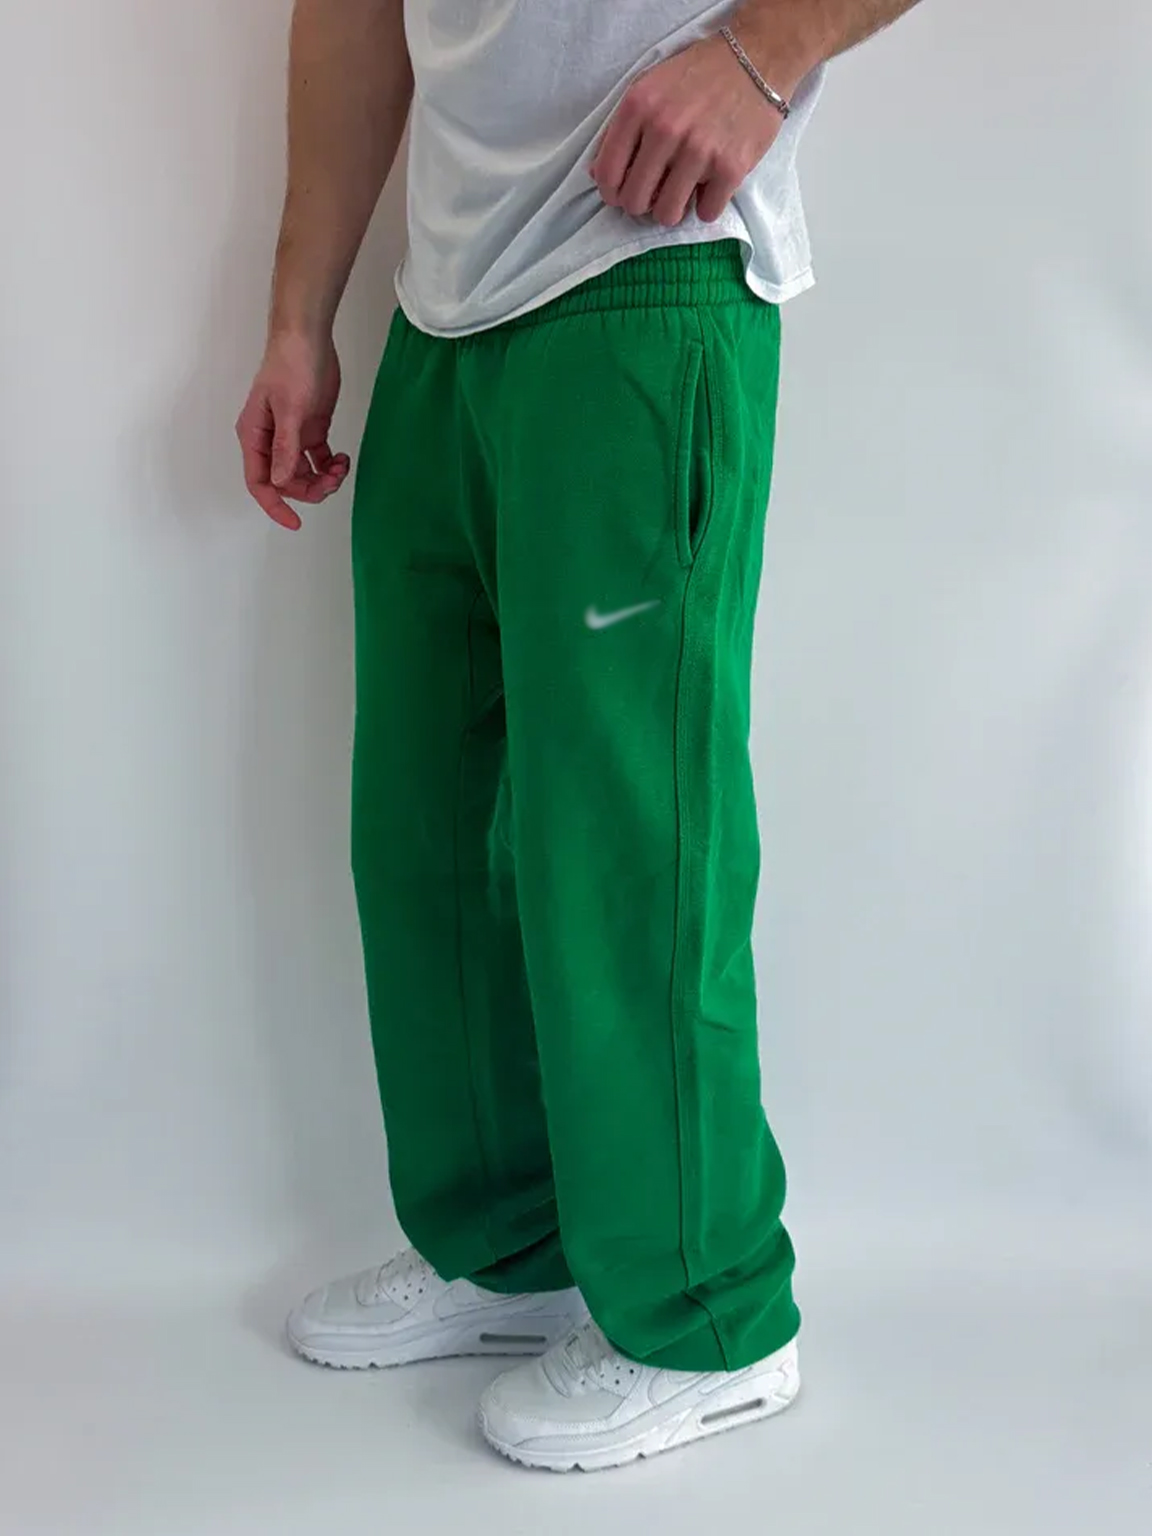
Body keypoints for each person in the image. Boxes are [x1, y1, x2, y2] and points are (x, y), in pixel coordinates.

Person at [237, 0, 920, 1473]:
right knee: (426, 830)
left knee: (626, 840)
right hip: (445, 308)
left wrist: (762, 54)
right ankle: (510, 1247)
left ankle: (709, 1317)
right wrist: (300, 313)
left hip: (644, 264)